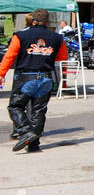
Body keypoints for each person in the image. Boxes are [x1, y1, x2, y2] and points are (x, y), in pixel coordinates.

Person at [0, 9, 67, 152]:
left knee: (15, 106)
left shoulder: (20, 36)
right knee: (38, 111)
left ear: (33, 20)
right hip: (46, 77)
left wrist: (1, 74)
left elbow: (9, 57)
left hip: (26, 77)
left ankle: (25, 131)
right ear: (48, 21)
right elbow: (62, 57)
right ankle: (33, 144)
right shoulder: (57, 37)